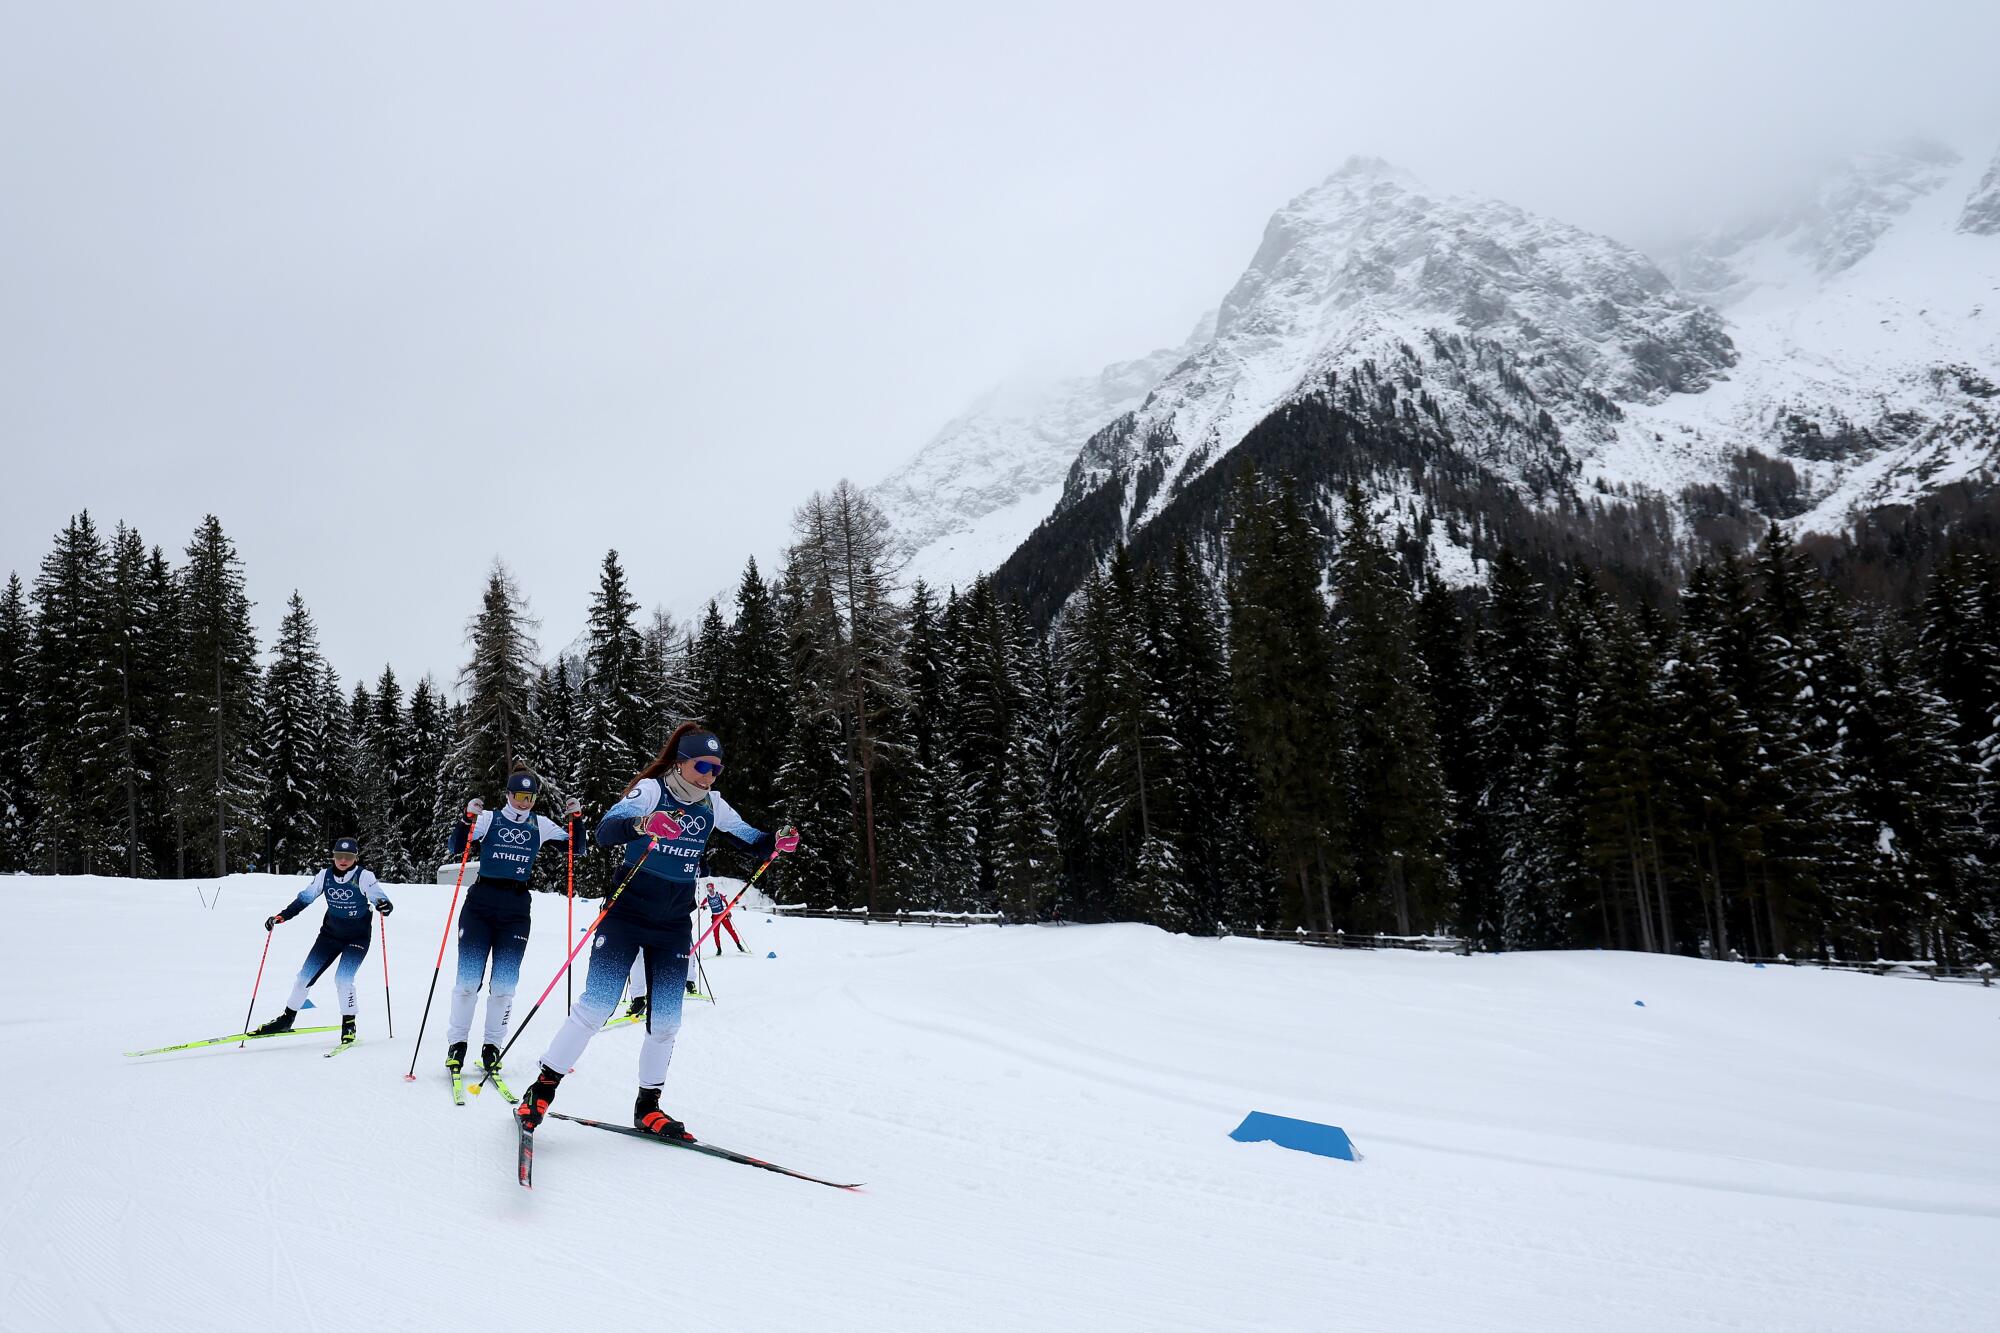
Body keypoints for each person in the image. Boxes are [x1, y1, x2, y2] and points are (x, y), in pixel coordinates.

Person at [515, 723, 796, 1140]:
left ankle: (648, 1106)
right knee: (597, 1006)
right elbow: (606, 831)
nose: (709, 775)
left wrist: (778, 840)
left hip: (673, 923)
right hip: (626, 914)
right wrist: (645, 823)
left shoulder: (714, 805)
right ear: (681, 763)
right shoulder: (649, 791)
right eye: (703, 765)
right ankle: (541, 1089)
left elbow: (752, 840)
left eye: (717, 769)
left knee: (666, 1021)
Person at [443, 762, 584, 1079]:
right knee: (468, 982)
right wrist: (467, 819)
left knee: (504, 985)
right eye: (520, 795)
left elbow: (578, 849)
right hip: (480, 903)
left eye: (531, 796)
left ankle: (492, 1047)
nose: (525, 801)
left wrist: (577, 821)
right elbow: (456, 846)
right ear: (508, 794)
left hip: (516, 907)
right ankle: (457, 1045)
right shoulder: (490, 819)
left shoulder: (541, 824)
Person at [250, 837, 392, 1047]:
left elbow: (382, 901)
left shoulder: (364, 876)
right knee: (303, 978)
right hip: (329, 936)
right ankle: (286, 1019)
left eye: (349, 856)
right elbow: (305, 898)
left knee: (343, 979)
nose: (343, 860)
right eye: (339, 856)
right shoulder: (324, 876)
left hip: (357, 938)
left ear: (356, 858)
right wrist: (282, 916)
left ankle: (349, 1024)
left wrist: (384, 907)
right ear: (333, 856)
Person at [704, 882, 746, 957]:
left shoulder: (719, 895)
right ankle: (719, 949)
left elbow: (726, 903)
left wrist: (728, 911)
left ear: (713, 888)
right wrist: (702, 906)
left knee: (731, 930)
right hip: (715, 917)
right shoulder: (707, 898)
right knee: (716, 934)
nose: (710, 890)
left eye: (711, 889)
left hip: (723, 915)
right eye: (708, 889)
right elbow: (701, 904)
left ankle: (739, 945)